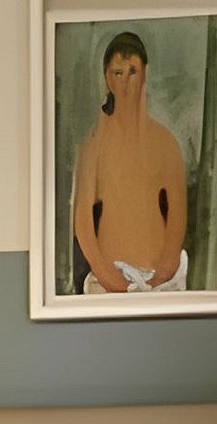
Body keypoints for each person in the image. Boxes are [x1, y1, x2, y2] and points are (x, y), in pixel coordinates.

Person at [71, 31, 188, 295]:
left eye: (133, 72)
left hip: (161, 278)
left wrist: (164, 271)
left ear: (145, 73)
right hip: (108, 279)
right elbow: (83, 222)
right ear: (107, 78)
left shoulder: (165, 143)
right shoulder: (94, 145)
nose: (126, 82)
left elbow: (178, 215)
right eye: (118, 73)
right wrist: (109, 278)